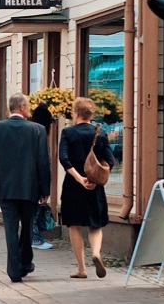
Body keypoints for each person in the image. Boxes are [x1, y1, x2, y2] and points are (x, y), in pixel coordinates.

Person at [0, 93, 51, 283]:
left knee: (10, 228)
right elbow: (43, 162)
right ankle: (24, 262)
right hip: (29, 186)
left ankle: (16, 269)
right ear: (22, 107)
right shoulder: (37, 130)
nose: (29, 109)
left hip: (5, 186)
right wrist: (45, 189)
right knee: (27, 226)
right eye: (28, 106)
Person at [60, 97, 115, 279]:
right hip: (95, 186)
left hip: (73, 186)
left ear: (75, 113)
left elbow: (64, 158)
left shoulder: (68, 133)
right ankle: (96, 253)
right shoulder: (101, 134)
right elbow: (110, 160)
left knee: (75, 226)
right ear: (91, 114)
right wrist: (93, 179)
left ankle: (81, 269)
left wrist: (79, 178)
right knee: (96, 225)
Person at [30, 103, 55, 250]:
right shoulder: (40, 135)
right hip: (36, 180)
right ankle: (35, 239)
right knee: (33, 211)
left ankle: (33, 238)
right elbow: (43, 163)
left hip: (27, 179)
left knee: (30, 212)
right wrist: (45, 188)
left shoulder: (30, 132)